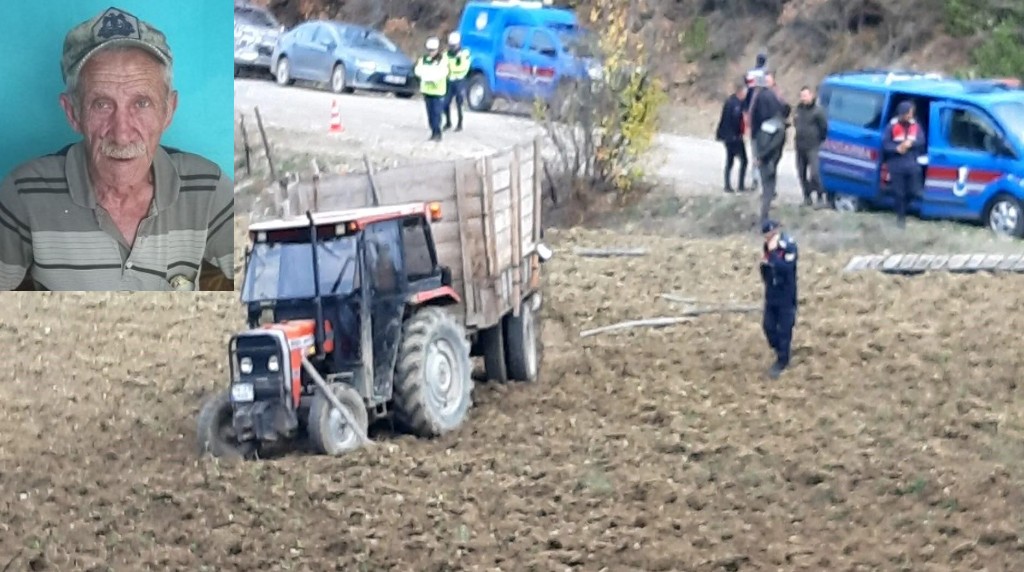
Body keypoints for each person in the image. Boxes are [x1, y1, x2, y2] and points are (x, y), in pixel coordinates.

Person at [0, 6, 233, 291]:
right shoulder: (23, 193)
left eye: (141, 103)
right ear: (72, 113)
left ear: (168, 111)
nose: (122, 135)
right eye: (101, 104)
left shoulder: (208, 188)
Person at [750, 72, 791, 223]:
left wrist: (759, 155)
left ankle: (764, 215)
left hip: (764, 153)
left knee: (767, 187)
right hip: (769, 158)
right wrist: (764, 158)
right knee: (769, 188)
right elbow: (775, 145)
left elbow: (759, 129)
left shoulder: (762, 97)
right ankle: (764, 218)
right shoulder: (779, 125)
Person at [759, 219, 798, 379]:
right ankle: (780, 348)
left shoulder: (788, 245)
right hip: (771, 292)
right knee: (768, 326)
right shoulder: (767, 247)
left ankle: (783, 359)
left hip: (786, 293)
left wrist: (774, 253)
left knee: (784, 328)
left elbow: (787, 268)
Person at [882, 101, 926, 228]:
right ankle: (900, 218)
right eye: (909, 112)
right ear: (903, 114)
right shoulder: (891, 126)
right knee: (898, 193)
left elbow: (922, 141)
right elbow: (885, 145)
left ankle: (905, 208)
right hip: (896, 164)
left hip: (912, 163)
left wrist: (910, 143)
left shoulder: (915, 125)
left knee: (914, 191)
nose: (911, 115)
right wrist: (897, 148)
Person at [794, 86, 829, 208]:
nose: (804, 98)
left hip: (813, 146)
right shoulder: (799, 109)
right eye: (802, 96)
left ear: (811, 96)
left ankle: (820, 197)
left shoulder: (818, 111)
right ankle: (807, 197)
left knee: (814, 173)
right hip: (800, 146)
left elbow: (824, 127)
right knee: (801, 173)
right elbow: (796, 122)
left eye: (806, 95)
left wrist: (820, 139)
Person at [715, 79, 748, 193]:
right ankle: (736, 185)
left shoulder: (736, 102)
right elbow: (731, 121)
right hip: (732, 137)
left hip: (733, 136)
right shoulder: (733, 104)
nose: (746, 95)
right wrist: (732, 135)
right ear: (740, 92)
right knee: (741, 160)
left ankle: (731, 185)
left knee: (732, 161)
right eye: (745, 92)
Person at [414, 37, 449, 142]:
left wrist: (430, 76)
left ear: (437, 49)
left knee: (437, 113)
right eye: (430, 50)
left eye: (433, 50)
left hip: (438, 91)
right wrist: (426, 76)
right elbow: (418, 71)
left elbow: (442, 73)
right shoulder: (424, 60)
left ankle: (438, 133)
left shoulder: (443, 60)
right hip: (427, 91)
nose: (431, 52)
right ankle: (433, 132)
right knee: (430, 114)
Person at [443, 32, 470, 132]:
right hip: (450, 80)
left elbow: (464, 68)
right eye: (451, 46)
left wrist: (453, 68)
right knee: (445, 103)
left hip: (460, 80)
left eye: (454, 45)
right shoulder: (446, 55)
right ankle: (448, 122)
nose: (452, 48)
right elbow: (444, 66)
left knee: (459, 102)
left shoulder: (464, 54)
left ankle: (460, 123)